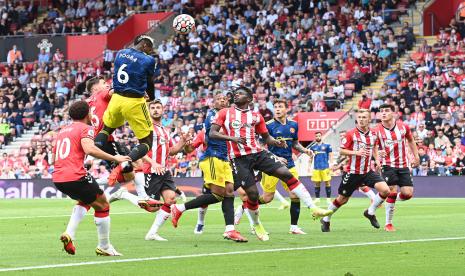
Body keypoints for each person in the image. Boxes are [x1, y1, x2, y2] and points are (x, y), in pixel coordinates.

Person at [182, 86, 331, 241]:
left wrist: (276, 142)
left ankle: (313, 208)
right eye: (235, 93)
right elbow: (212, 133)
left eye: (239, 93)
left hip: (258, 153)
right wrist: (232, 139)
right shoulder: (225, 112)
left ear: (249, 98)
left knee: (286, 174)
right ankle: (256, 224)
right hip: (238, 159)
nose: (235, 95)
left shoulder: (256, 116)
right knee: (252, 194)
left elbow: (266, 138)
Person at [52, 100, 130, 256]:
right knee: (103, 205)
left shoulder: (62, 131)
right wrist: (116, 158)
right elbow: (89, 148)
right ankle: (104, 246)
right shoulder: (86, 128)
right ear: (88, 114)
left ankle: (69, 234)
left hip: (58, 178)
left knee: (88, 200)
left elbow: (55, 157)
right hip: (75, 176)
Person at [111, 100, 190, 241]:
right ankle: (123, 194)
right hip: (150, 170)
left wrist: (182, 142)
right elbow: (140, 150)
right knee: (150, 207)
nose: (155, 110)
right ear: (148, 111)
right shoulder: (147, 128)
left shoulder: (165, 130)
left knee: (170, 200)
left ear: (163, 110)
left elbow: (171, 151)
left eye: (158, 107)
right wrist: (153, 163)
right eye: (152, 107)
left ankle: (152, 233)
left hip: (164, 170)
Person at [176, 93, 247, 242]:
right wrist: (185, 144)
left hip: (225, 160)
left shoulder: (229, 120)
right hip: (212, 158)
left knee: (229, 192)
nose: (222, 100)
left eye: (224, 99)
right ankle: (180, 208)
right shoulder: (212, 115)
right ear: (213, 103)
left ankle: (230, 230)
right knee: (217, 195)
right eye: (218, 99)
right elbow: (191, 149)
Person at [95, 35, 156, 181]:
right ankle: (127, 160)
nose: (150, 52)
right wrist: (151, 97)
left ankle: (93, 149)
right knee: (147, 143)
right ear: (145, 45)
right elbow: (149, 82)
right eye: (150, 49)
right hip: (133, 102)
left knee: (107, 129)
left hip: (116, 99)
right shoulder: (148, 60)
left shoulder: (120, 53)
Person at [320, 109, 390, 232]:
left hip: (367, 171)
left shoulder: (374, 134)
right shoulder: (351, 134)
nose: (361, 119)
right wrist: (356, 152)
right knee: (342, 199)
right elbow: (341, 150)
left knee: (385, 190)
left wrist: (377, 159)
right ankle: (326, 219)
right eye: (360, 117)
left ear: (369, 119)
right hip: (352, 172)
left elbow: (374, 146)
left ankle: (370, 212)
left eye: (364, 117)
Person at [257, 99, 314, 234]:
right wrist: (276, 158)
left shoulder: (293, 124)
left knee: (295, 194)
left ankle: (294, 227)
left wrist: (305, 150)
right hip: (271, 165)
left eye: (280, 107)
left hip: (289, 164)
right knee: (267, 198)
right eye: (275, 107)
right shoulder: (268, 125)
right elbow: (260, 146)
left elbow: (295, 144)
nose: (277, 109)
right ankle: (246, 206)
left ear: (286, 109)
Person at [375, 104, 419, 232]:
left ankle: (385, 200)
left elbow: (411, 141)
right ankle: (388, 224)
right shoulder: (376, 130)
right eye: (381, 111)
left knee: (407, 194)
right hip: (387, 164)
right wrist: (378, 156)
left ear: (393, 113)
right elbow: (373, 146)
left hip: (403, 164)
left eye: (387, 111)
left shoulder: (403, 127)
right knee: (392, 190)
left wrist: (416, 156)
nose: (383, 113)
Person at [86, 76, 136, 187]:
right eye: (103, 83)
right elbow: (116, 90)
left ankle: (96, 179)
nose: (107, 84)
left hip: (93, 141)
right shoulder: (102, 94)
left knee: (129, 175)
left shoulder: (86, 102)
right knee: (129, 168)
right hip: (106, 140)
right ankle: (95, 182)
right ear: (94, 88)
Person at [310, 132, 333, 204]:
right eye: (316, 136)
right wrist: (308, 167)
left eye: (319, 136)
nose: (318, 137)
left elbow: (331, 155)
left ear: (321, 137)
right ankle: (317, 198)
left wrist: (331, 164)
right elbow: (311, 158)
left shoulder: (327, 146)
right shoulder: (313, 147)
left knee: (327, 182)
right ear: (315, 137)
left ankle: (328, 199)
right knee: (317, 183)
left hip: (325, 167)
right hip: (316, 168)